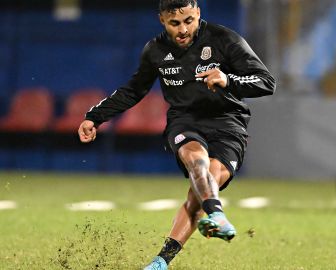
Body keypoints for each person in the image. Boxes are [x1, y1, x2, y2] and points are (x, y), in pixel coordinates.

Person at [77, 0, 276, 269]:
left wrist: (228, 79)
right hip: (185, 121)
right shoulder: (155, 50)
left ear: (198, 14)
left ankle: (161, 261)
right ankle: (217, 215)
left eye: (188, 21)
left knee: (201, 192)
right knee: (197, 161)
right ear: (162, 20)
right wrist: (95, 117)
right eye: (174, 23)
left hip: (228, 123)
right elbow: (134, 90)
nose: (182, 29)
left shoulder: (224, 39)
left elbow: (266, 82)